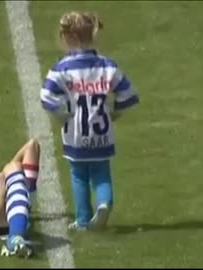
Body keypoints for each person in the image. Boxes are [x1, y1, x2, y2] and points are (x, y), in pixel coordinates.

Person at [40, 11, 139, 231]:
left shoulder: (62, 69)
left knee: (79, 176)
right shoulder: (108, 66)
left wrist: (62, 113)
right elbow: (129, 95)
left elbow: (46, 97)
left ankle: (83, 219)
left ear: (68, 38)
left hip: (76, 134)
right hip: (102, 134)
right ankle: (104, 203)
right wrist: (115, 113)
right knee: (101, 172)